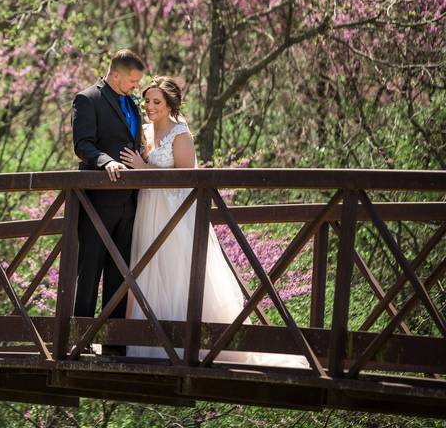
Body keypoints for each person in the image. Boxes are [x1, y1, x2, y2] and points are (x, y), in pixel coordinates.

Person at [120, 76, 308, 367]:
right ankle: (149, 342)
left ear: (170, 105)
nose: (149, 106)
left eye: (156, 102)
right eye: (147, 101)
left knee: (176, 270)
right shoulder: (144, 132)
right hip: (148, 210)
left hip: (173, 214)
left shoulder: (180, 134)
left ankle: (189, 343)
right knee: (147, 269)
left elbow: (186, 181)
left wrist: (143, 168)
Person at [71, 49, 146, 329]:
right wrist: (107, 162)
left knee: (120, 273)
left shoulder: (132, 103)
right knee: (90, 269)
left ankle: (113, 342)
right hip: (98, 200)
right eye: (132, 82)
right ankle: (81, 340)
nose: (135, 87)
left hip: (130, 200)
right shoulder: (87, 99)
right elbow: (83, 145)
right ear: (115, 75)